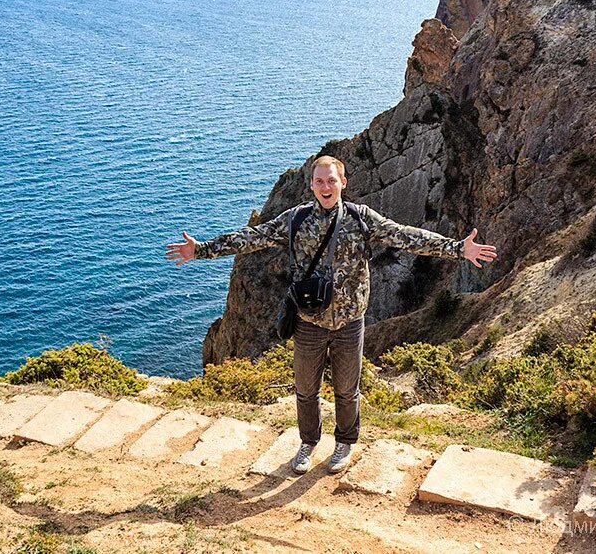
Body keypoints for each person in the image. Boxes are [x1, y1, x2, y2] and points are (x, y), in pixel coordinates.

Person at [165, 155, 496, 474]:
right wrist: (202, 249)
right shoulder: (294, 220)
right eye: (319, 181)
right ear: (311, 185)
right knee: (306, 390)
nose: (326, 186)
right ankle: (308, 443)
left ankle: (344, 443)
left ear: (343, 183)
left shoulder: (361, 218)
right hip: (309, 322)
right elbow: (253, 238)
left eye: (331, 180)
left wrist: (457, 248)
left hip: (350, 323)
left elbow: (406, 236)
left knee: (346, 390)